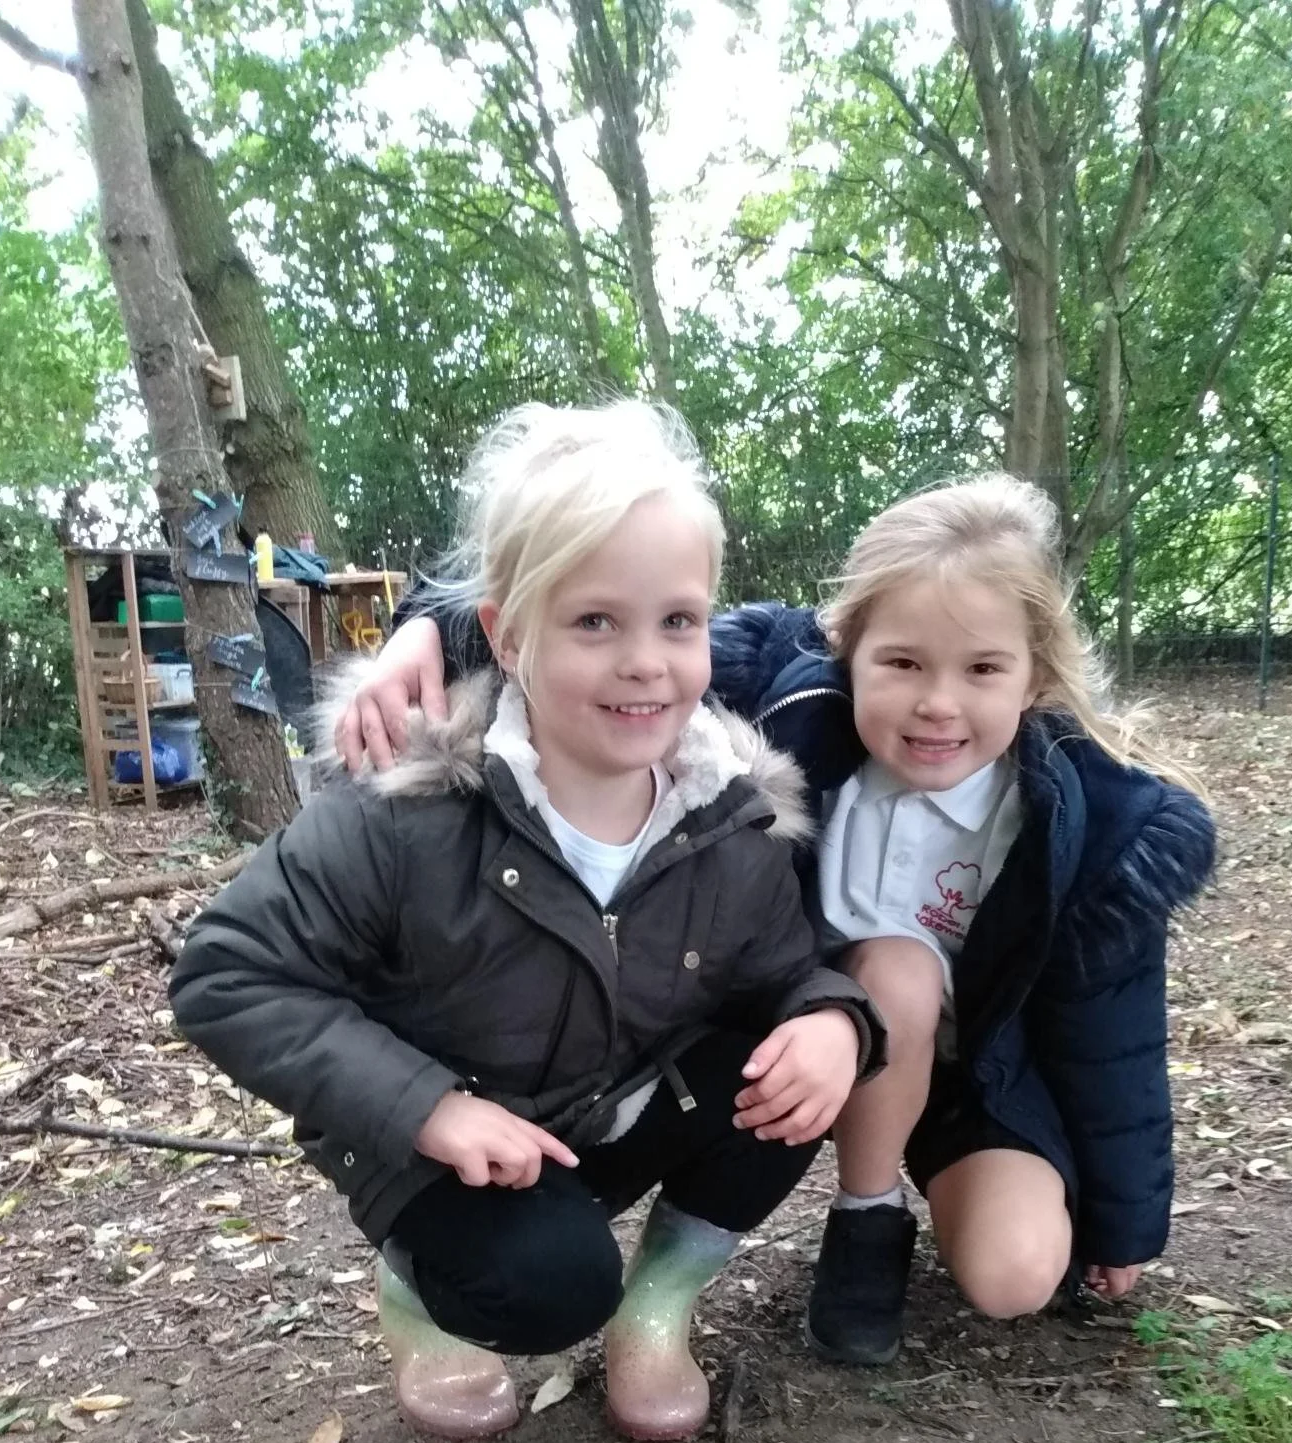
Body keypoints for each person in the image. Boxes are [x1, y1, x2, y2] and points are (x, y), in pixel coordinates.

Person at [335, 472, 1216, 1367]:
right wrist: (425, 630)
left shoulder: (1095, 828)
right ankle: (863, 1220)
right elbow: (603, 612)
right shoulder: (789, 696)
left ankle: (945, 1188)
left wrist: (1124, 1220)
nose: (938, 704)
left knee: (1016, 1278)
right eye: (902, 663)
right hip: (824, 1025)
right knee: (894, 971)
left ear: (1033, 677)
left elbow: (1116, 1038)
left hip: (974, 1073)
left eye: (983, 669)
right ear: (847, 649)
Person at [170, 400, 884, 1443]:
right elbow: (226, 975)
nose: (646, 661)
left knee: (791, 1076)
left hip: (608, 1105)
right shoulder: (406, 810)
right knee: (551, 1284)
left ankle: (661, 1307)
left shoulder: (731, 816)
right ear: (508, 634)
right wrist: (427, 1110)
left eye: (677, 621)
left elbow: (794, 968)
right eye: (596, 621)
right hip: (450, 1143)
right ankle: (418, 1297)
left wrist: (833, 1021)